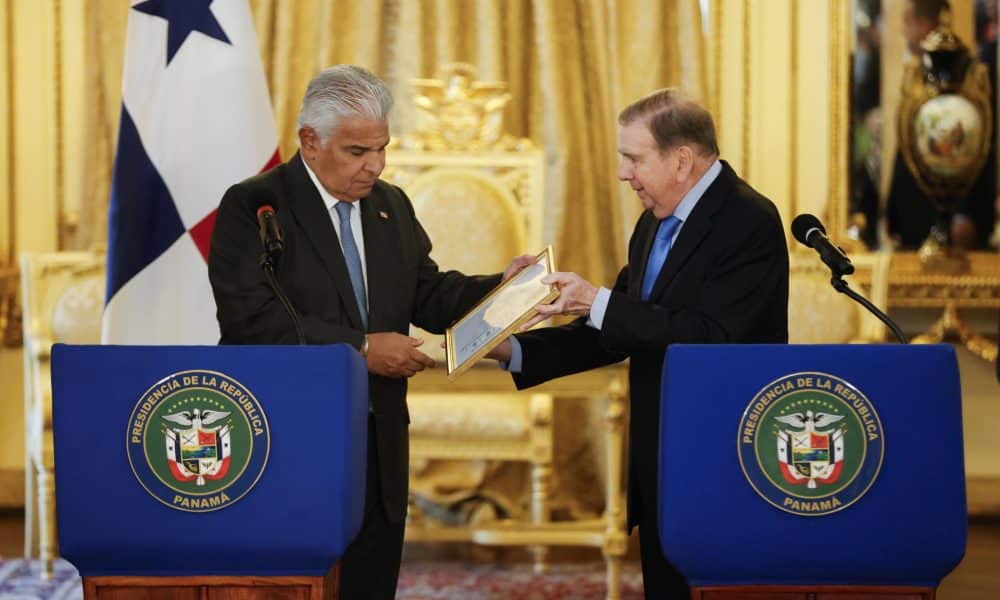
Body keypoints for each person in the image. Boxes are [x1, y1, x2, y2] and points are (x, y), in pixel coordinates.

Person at [207, 65, 532, 598]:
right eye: (357, 152)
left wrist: (503, 286)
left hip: (378, 436)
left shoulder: (391, 206)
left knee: (370, 581)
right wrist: (359, 349)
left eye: (382, 149)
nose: (375, 166)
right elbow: (250, 321)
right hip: (287, 435)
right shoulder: (256, 206)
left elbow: (427, 292)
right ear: (310, 141)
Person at [488, 89, 789, 598]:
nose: (624, 174)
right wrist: (511, 349)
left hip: (722, 459)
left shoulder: (749, 220)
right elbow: (616, 332)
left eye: (633, 159)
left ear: (681, 160)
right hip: (660, 458)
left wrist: (597, 300)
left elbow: (709, 339)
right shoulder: (653, 220)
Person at [887, 0, 997, 250]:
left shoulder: (968, 77)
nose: (903, 30)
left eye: (908, 21)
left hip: (953, 225)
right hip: (913, 224)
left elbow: (980, 147)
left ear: (926, 24)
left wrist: (966, 214)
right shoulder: (917, 74)